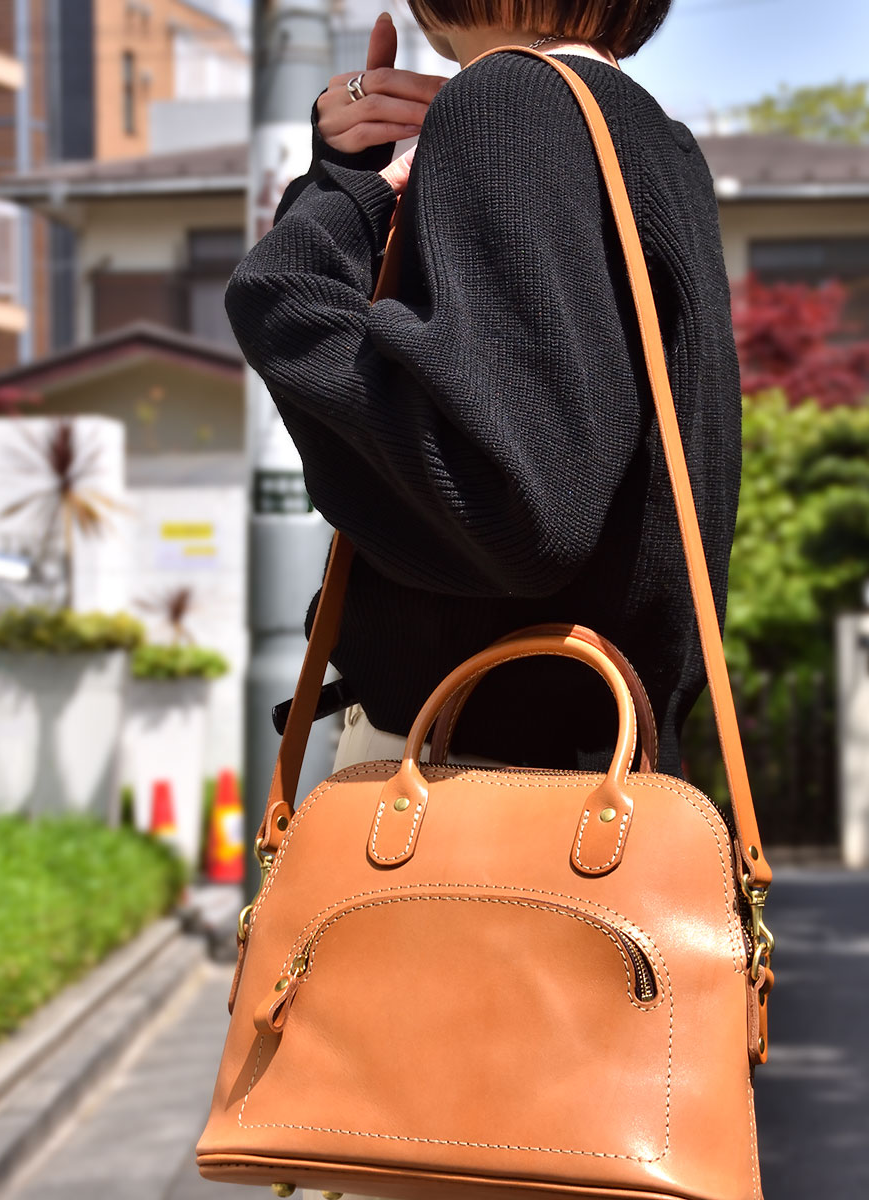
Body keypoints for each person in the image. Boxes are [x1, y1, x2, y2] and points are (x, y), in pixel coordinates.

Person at [224, 0, 741, 781]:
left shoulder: (507, 102)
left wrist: (335, 204)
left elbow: (517, 507)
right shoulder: (655, 140)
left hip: (461, 782)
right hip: (611, 786)